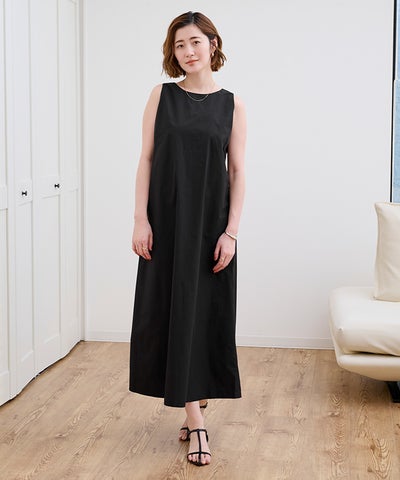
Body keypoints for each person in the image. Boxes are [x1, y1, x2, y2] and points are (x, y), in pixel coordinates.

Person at [129, 11, 246, 467]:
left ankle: (192, 406)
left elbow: (237, 171)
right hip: (167, 220)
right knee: (172, 313)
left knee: (202, 315)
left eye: (195, 41)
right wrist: (140, 219)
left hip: (210, 226)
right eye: (179, 45)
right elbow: (146, 159)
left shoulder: (232, 105)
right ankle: (196, 417)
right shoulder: (161, 96)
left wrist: (231, 232)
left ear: (213, 44)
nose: (188, 51)